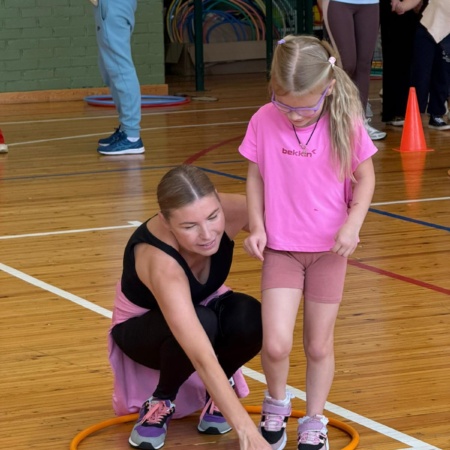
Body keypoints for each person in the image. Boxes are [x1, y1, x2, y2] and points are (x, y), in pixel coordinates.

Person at [239, 35, 377, 450]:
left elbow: (366, 178)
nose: (294, 115)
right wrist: (257, 226)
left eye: (305, 108)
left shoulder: (344, 121)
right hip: (281, 248)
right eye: (285, 105)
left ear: (328, 88)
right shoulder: (263, 119)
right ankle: (276, 404)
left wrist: (352, 224)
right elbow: (255, 176)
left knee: (318, 345)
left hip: (328, 252)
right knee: (276, 343)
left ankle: (314, 418)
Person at [108, 165, 270, 450]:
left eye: (213, 216)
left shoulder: (235, 209)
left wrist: (348, 223)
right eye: (189, 226)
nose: (207, 234)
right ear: (166, 222)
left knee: (252, 317)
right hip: (143, 333)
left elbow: (296, 220)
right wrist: (247, 431)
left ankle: (217, 394)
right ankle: (160, 400)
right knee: (203, 321)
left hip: (203, 312)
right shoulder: (160, 261)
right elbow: (201, 354)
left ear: (218, 200)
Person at [321, 0, 387, 140]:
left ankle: (360, 123)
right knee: (346, 64)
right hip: (339, 3)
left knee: (364, 65)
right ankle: (336, 119)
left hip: (370, 4)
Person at [90, 0, 145, 155]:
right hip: (110, 6)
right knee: (109, 68)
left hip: (113, 6)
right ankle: (126, 129)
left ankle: (132, 136)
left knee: (120, 69)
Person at [393, 0, 450, 130]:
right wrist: (402, 6)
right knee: (420, 75)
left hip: (447, 35)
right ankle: (415, 113)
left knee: (443, 75)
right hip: (427, 29)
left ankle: (436, 114)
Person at [379, 0, 419, 126]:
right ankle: (395, 111)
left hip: (410, 7)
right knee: (396, 55)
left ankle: (400, 110)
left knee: (406, 57)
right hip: (394, 6)